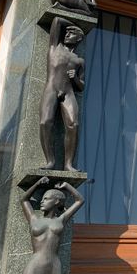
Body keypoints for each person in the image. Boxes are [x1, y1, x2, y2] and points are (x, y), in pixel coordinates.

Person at [18, 176, 84, 274]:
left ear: (57, 201)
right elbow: (24, 200)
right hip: (35, 265)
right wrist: (37, 184)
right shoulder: (34, 219)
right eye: (42, 199)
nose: (41, 202)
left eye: (46, 199)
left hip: (54, 267)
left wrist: (67, 185)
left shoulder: (61, 220)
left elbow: (80, 200)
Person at [40, 16, 85, 171]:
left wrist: (76, 79)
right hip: (51, 88)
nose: (67, 34)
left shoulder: (79, 61)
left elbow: (82, 86)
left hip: (68, 92)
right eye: (66, 32)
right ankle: (50, 161)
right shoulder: (55, 47)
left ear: (79, 38)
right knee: (45, 122)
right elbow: (57, 20)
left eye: (71, 33)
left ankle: (68, 164)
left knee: (73, 124)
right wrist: (76, 24)